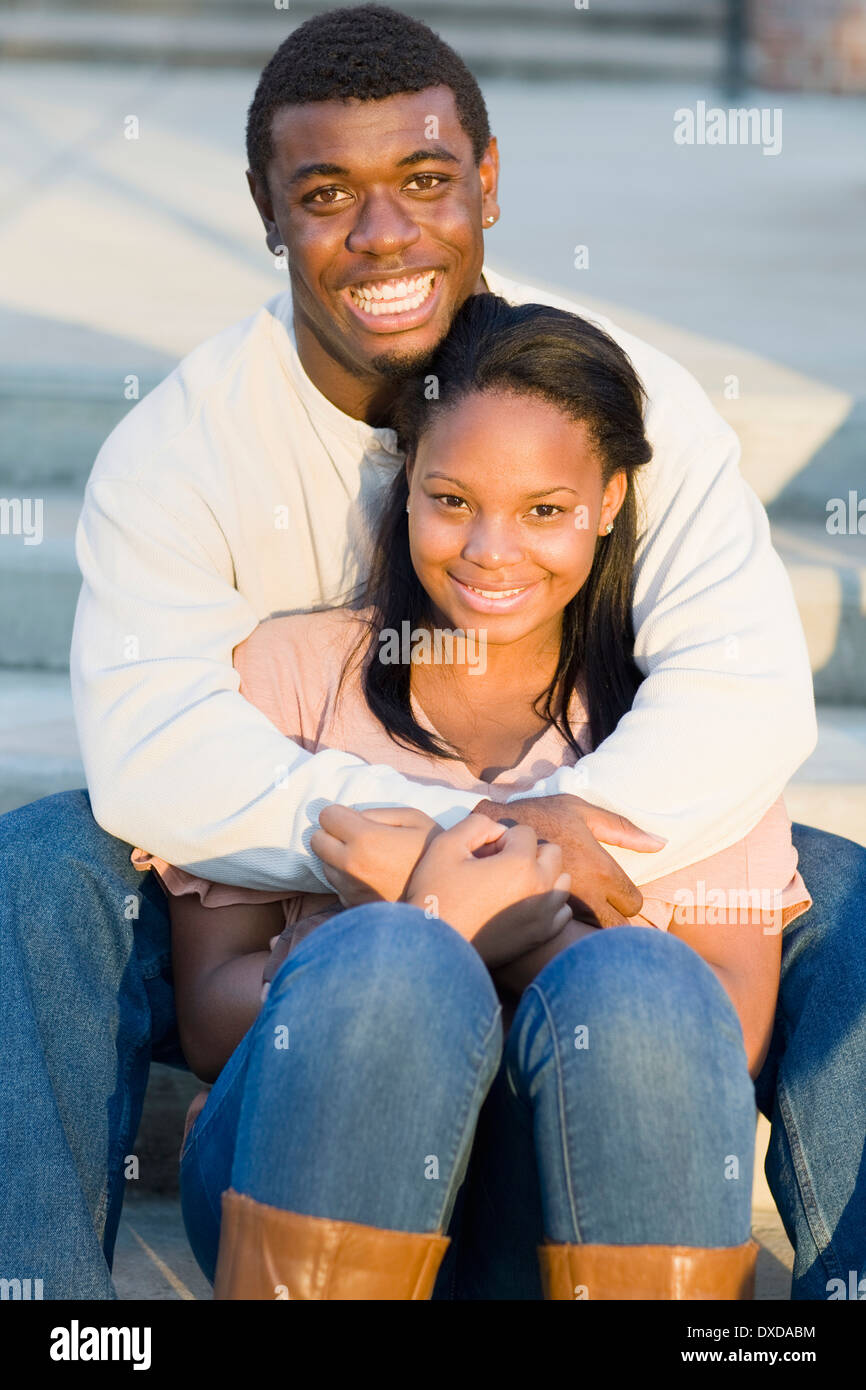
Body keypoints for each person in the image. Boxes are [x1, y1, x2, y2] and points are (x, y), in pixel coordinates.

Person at [0, 4, 862, 1301]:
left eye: (422, 180)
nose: (384, 234)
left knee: (828, 885)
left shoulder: (616, 401)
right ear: (264, 207)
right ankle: (43, 1292)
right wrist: (432, 854)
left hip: (565, 907)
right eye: (327, 192)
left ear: (489, 184)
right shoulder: (181, 449)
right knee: (49, 856)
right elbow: (157, 750)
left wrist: (545, 844)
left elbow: (740, 684)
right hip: (303, 902)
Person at [148, 294, 812, 1299]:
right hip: (298, 1178)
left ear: (609, 500)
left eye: (544, 510)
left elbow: (716, 1031)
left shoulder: (687, 721)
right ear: (404, 483)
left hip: (564, 1206)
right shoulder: (287, 673)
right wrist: (422, 930)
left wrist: (488, 919)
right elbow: (206, 1016)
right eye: (451, 499)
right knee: (391, 959)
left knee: (632, 983)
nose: (489, 552)